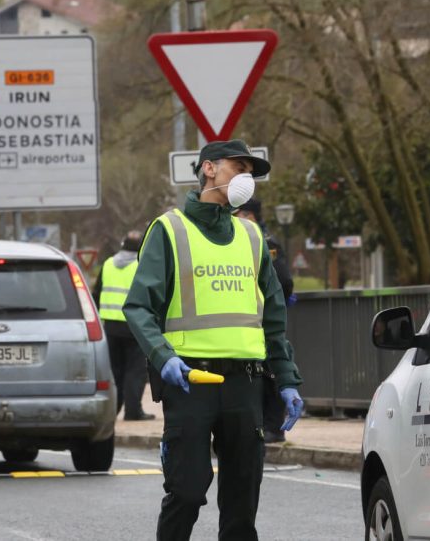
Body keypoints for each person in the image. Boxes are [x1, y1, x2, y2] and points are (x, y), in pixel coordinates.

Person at [123, 139, 304, 541]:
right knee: (186, 493)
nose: (246, 179)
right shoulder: (169, 230)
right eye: (238, 168)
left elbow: (273, 317)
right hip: (189, 381)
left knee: (242, 505)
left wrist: (287, 380)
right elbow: (138, 307)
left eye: (250, 173)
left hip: (246, 384)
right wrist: (163, 356)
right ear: (208, 168)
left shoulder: (252, 237)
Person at [234, 198, 292, 443]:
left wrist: (272, 309)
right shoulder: (243, 241)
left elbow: (282, 281)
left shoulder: (265, 244)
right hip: (248, 322)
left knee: (270, 373)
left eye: (236, 214)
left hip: (263, 321)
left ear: (248, 215)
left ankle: (274, 427)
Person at [92, 230, 154, 421]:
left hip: (111, 326)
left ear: (122, 244)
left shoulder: (108, 263)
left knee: (116, 371)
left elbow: (96, 293)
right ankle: (133, 412)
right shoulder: (141, 264)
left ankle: (113, 410)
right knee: (135, 371)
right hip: (134, 325)